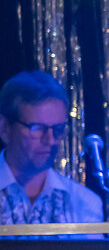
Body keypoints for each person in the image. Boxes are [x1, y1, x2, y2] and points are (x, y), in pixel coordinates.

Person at [0, 71, 102, 227]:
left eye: (58, 129)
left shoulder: (84, 203)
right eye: (37, 128)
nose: (51, 140)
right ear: (5, 128)